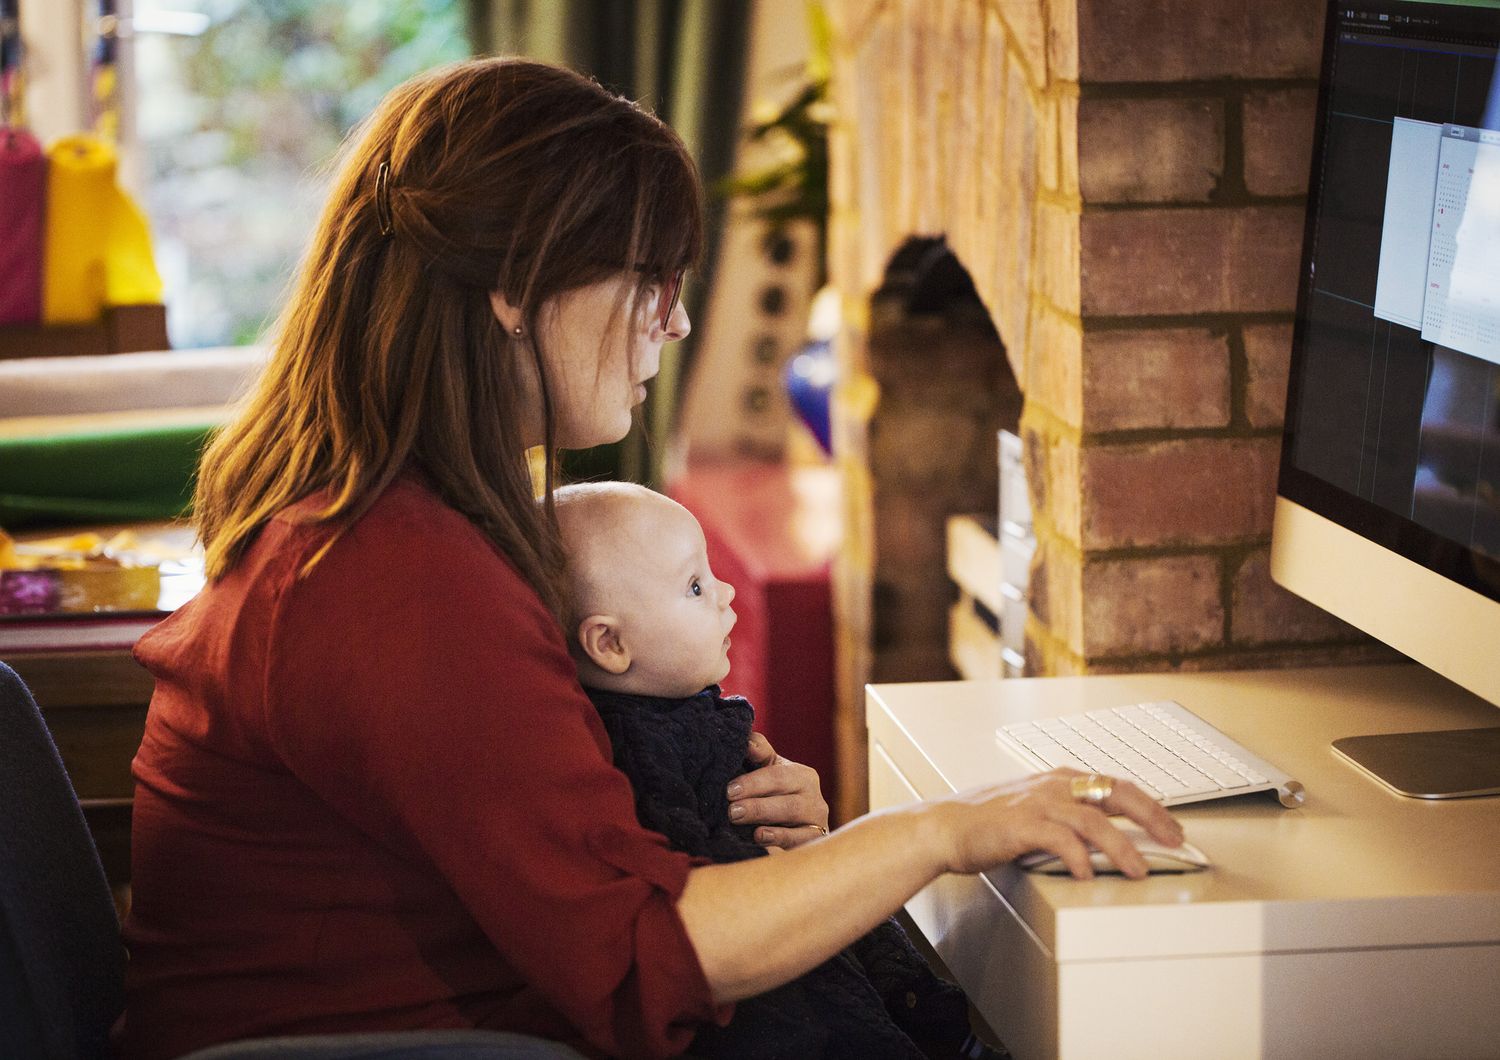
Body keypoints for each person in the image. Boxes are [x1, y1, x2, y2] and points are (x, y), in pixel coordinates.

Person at [116, 57, 1183, 1060]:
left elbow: (555, 834)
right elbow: (650, 953)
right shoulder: (396, 580)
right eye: (649, 280)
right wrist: (942, 829)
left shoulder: (387, 521)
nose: (670, 325)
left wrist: (742, 826)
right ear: (517, 286)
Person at [555, 480, 996, 1059]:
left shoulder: (681, 717)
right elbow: (688, 878)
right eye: (694, 586)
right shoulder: (638, 750)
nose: (725, 592)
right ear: (609, 644)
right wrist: (770, 873)